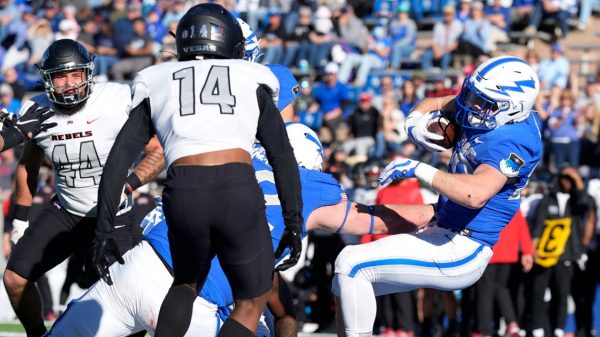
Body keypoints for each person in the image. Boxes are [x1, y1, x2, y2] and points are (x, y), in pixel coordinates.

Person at [45, 122, 419, 337]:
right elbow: (369, 220)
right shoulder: (311, 186)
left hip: (141, 266)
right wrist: (436, 212)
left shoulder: (229, 153)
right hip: (198, 302)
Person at [93, 5, 303, 337]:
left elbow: (118, 162)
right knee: (252, 300)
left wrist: (104, 229)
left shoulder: (157, 78)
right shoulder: (253, 77)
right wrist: (294, 220)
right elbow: (283, 156)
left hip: (183, 191)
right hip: (237, 187)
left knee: (185, 284)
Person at [332, 55, 543, 337]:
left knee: (351, 264)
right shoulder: (485, 109)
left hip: (465, 246)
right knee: (343, 282)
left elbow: (475, 194)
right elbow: (441, 102)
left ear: (512, 109)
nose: (471, 106)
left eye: (482, 102)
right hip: (443, 226)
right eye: (472, 96)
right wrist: (415, 121)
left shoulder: (513, 140)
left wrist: (419, 168)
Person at [3, 39, 164, 337]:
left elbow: (159, 149)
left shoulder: (117, 98)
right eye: (60, 76)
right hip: (66, 211)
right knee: (14, 278)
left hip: (114, 216)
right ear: (47, 80)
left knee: (123, 306)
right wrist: (20, 219)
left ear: (87, 73)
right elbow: (28, 166)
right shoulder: (37, 110)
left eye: (74, 74)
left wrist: (127, 185)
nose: (68, 84)